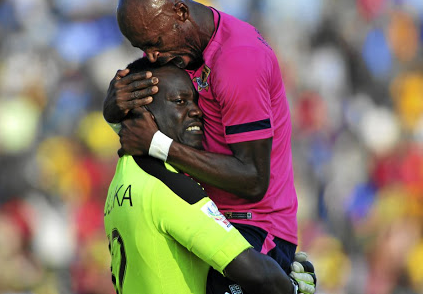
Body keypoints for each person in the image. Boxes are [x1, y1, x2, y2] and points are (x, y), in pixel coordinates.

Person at [104, 0, 316, 293]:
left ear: (180, 12)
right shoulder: (178, 51)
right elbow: (141, 112)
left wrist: (160, 145)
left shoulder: (238, 60)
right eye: (142, 48)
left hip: (255, 226)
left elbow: (253, 180)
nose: (151, 57)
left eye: (155, 43)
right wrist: (113, 106)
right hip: (209, 220)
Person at [104, 57, 303, 294]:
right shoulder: (170, 187)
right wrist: (293, 285)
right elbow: (257, 275)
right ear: (142, 111)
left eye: (195, 101)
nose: (196, 111)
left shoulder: (122, 180)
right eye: (179, 101)